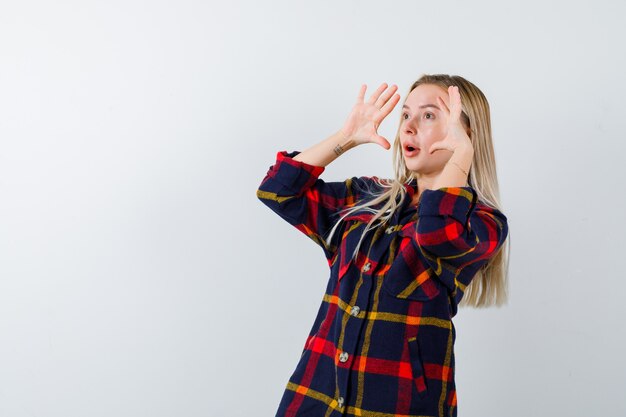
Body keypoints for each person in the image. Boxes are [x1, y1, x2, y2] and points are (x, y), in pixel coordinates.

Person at [256, 74, 510, 417]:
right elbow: (277, 190)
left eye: (430, 115)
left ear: (466, 132)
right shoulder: (366, 196)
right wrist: (345, 138)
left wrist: (461, 157)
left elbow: (435, 233)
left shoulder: (480, 223)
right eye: (405, 115)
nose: (408, 126)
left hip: (399, 406)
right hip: (315, 398)